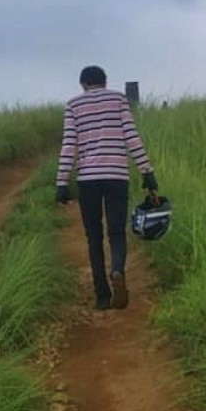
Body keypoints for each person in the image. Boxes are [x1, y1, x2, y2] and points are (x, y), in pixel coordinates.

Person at [55, 65, 158, 310]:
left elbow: (69, 144)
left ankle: (102, 295)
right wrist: (147, 172)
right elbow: (132, 137)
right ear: (105, 82)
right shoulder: (119, 100)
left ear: (83, 85)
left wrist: (61, 182)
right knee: (116, 232)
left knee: (93, 236)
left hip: (88, 179)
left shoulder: (73, 105)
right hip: (116, 176)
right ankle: (117, 271)